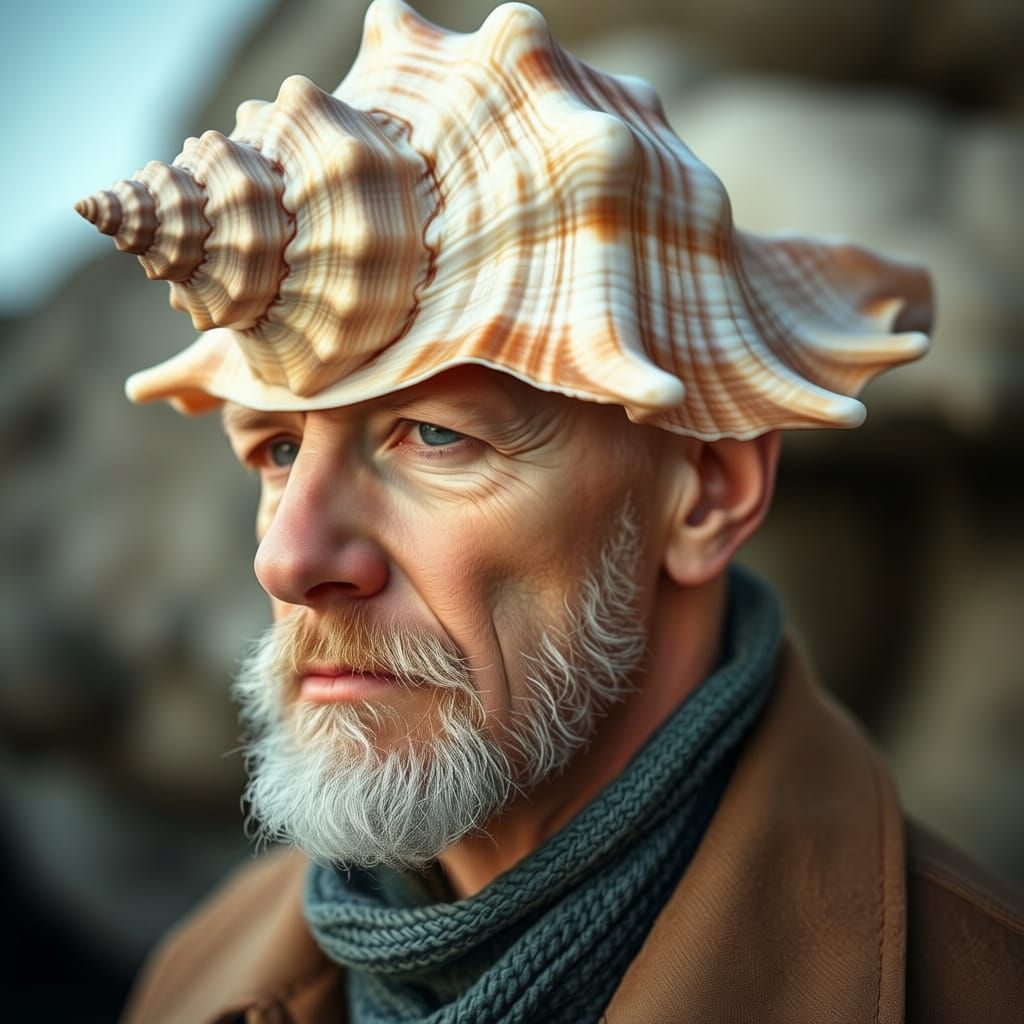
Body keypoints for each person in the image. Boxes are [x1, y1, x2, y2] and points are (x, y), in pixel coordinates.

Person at [76, 1, 1023, 1020]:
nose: (290, 559)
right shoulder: (192, 980)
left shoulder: (970, 987)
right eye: (278, 448)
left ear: (706, 493)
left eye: (436, 435)